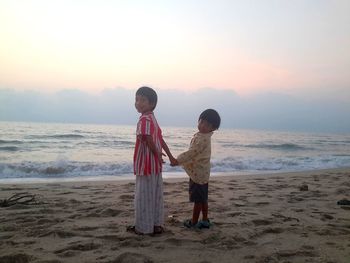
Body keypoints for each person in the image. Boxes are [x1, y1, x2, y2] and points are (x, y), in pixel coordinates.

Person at [129, 86, 176, 235]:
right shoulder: (153, 119)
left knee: (143, 196)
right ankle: (156, 225)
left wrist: (157, 154)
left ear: (152, 104)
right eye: (136, 99)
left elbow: (150, 140)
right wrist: (169, 155)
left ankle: (143, 228)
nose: (138, 103)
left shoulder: (144, 119)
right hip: (154, 165)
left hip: (146, 164)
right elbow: (160, 139)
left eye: (143, 100)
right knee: (155, 195)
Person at [171, 109, 221, 229]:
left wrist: (178, 160)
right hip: (202, 173)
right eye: (201, 121)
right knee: (203, 198)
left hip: (198, 174)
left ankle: (194, 222)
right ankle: (204, 220)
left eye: (207, 124)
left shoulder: (203, 139)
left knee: (198, 200)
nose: (202, 125)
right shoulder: (203, 136)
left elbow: (192, 152)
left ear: (213, 128)